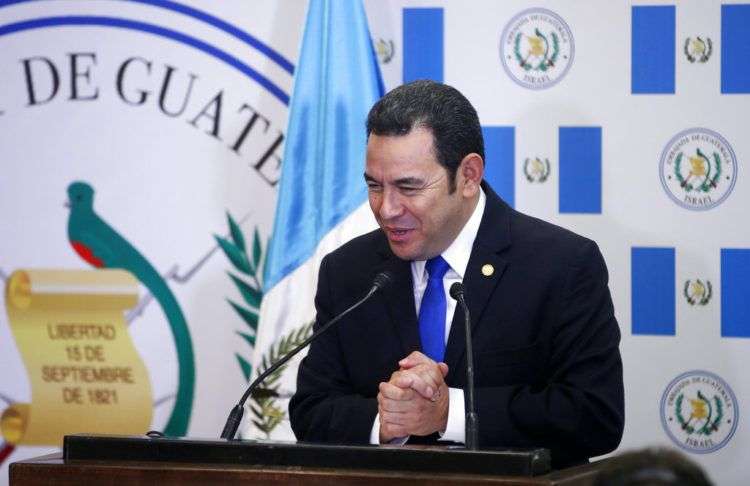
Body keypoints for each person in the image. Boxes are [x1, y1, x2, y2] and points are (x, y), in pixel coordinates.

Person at [289, 80, 624, 469]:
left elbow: (595, 415)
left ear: (468, 175)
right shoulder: (349, 270)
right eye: (374, 186)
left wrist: (450, 413)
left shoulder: (561, 265)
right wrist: (385, 422)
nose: (386, 209)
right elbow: (312, 409)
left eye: (408, 187)